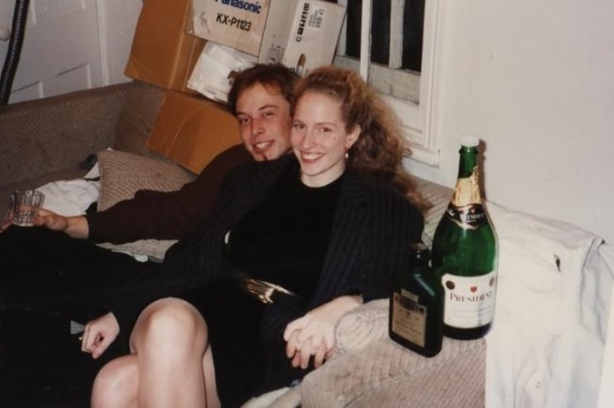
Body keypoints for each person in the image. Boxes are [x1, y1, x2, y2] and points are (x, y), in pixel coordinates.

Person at [81, 66, 431, 408]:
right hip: (203, 301)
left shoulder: (382, 205)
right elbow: (192, 253)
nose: (308, 142)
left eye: (324, 129)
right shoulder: (251, 180)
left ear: (351, 134)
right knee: (168, 324)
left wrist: (350, 302)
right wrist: (119, 312)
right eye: (300, 126)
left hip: (265, 337)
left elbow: (412, 283)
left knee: (115, 384)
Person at [0, 64, 299, 389]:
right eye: (245, 120)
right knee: (22, 242)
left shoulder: (308, 185)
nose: (255, 130)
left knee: (93, 367)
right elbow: (173, 211)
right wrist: (71, 224)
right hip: (169, 280)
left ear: (296, 113)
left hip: (201, 306)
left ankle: (39, 381)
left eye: (267, 114)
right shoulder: (239, 162)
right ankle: (31, 378)